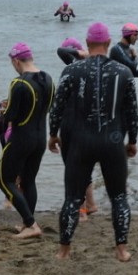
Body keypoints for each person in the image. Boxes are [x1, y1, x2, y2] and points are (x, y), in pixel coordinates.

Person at [48, 22, 138, 262]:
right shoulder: (124, 72)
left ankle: (64, 251)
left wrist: (53, 134)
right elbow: (132, 112)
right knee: (119, 197)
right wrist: (133, 141)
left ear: (87, 44)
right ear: (109, 44)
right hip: (113, 140)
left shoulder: (71, 71)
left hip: (80, 141)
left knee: (72, 198)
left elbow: (57, 107)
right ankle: (121, 250)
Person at [0, 43, 54, 239]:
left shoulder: (18, 83)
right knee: (29, 180)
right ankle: (27, 223)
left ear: (16, 61)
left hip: (21, 138)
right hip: (40, 138)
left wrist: (3, 112)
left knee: (5, 180)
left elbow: (11, 116)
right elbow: (45, 107)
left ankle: (30, 224)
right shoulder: (48, 79)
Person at [54, 37, 98, 220]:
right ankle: (91, 204)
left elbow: (61, 51)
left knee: (74, 167)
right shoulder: (93, 67)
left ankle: (80, 211)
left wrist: (80, 52)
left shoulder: (76, 65)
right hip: (88, 122)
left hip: (73, 122)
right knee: (84, 166)